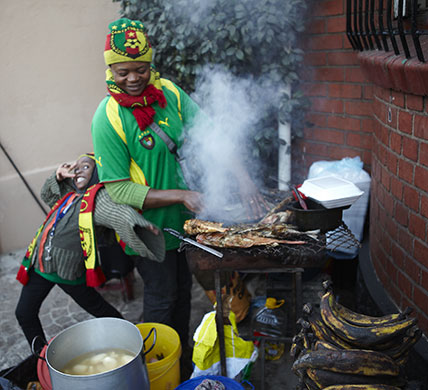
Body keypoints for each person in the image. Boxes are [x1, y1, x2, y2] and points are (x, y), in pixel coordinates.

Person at [91, 18, 266, 376]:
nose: (133, 79)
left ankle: (183, 368)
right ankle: (152, 373)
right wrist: (182, 194)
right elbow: (119, 189)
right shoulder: (107, 117)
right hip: (145, 231)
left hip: (183, 226)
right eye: (123, 72)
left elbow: (213, 135)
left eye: (141, 69)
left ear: (150, 64)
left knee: (184, 293)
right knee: (160, 297)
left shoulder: (169, 93)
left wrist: (245, 179)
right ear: (110, 68)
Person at [15, 154, 165, 352]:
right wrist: (58, 175)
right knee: (24, 313)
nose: (78, 170)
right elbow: (47, 195)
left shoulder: (98, 199)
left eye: (85, 166)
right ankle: (41, 358)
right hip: (41, 264)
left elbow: (117, 213)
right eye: (76, 167)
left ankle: (134, 344)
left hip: (66, 271)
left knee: (102, 312)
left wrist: (140, 226)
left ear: (96, 174)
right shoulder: (69, 195)